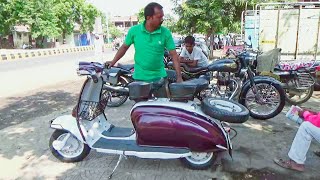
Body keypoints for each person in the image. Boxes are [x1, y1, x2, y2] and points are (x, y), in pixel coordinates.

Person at [107, 2, 182, 83]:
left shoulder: (165, 32)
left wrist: (179, 77)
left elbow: (174, 55)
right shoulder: (134, 31)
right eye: (159, 17)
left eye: (162, 17)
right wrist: (113, 61)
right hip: (139, 78)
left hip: (159, 78)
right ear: (149, 17)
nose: (162, 20)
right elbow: (124, 47)